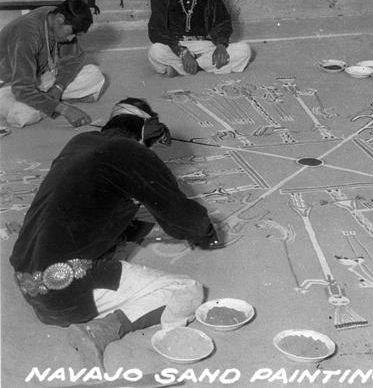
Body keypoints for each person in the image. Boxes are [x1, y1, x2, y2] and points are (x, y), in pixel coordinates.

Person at [10, 98, 221, 368]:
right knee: (188, 290)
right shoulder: (133, 151)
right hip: (65, 294)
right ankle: (102, 330)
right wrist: (207, 233)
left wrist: (151, 231)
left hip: (27, 279)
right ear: (146, 131)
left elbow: (91, 207)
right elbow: (186, 220)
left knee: (103, 226)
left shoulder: (80, 142)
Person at [0, 0, 106, 128]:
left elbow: (74, 59)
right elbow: (21, 88)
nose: (71, 39)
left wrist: (58, 87)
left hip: (39, 77)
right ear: (59, 20)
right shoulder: (26, 36)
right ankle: (48, 102)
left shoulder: (55, 18)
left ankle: (45, 101)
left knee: (94, 75)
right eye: (72, 33)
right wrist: (64, 109)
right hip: (10, 84)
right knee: (23, 114)